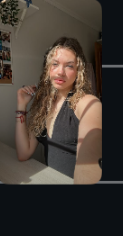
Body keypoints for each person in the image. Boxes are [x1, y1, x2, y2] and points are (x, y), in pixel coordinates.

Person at [15, 40, 102, 183]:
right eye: (55, 64)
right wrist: (21, 105)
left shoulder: (88, 104)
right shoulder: (43, 105)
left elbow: (88, 171)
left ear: (78, 71)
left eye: (69, 66)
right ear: (47, 68)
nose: (60, 72)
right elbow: (24, 153)